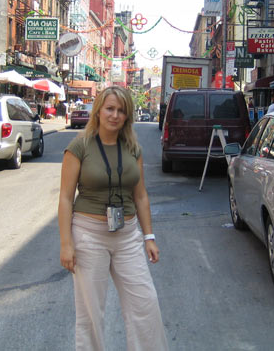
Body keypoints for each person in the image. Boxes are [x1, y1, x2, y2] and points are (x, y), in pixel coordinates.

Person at [58, 86, 168, 351]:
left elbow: (140, 196)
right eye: (109, 108)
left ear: (127, 116)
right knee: (90, 314)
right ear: (98, 111)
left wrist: (149, 236)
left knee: (145, 303)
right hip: (88, 234)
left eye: (121, 111)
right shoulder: (80, 146)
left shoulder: (132, 148)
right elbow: (65, 198)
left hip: (127, 234)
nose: (115, 115)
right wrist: (66, 244)